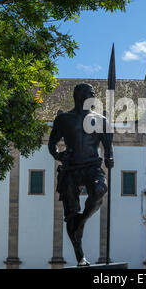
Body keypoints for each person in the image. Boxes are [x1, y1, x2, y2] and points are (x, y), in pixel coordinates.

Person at [48, 83, 114, 266]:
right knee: (70, 213)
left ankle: (82, 220)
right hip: (71, 167)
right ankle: (80, 257)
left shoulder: (101, 120)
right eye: (89, 94)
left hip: (92, 166)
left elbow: (108, 146)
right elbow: (52, 142)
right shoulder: (64, 119)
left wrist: (109, 157)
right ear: (78, 96)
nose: (93, 97)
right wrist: (57, 154)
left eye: (93, 94)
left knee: (100, 189)